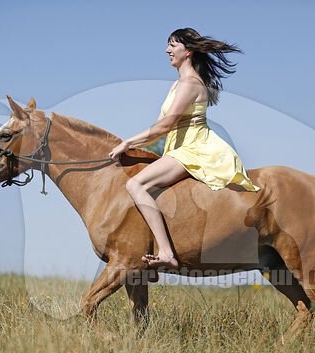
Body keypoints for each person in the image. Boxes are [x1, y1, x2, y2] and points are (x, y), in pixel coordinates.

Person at [109, 27, 260, 268]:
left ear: (188, 51)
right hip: (177, 149)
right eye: (168, 45)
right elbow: (158, 125)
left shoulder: (190, 84)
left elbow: (165, 126)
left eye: (173, 45)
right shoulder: (176, 85)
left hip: (192, 150)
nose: (167, 50)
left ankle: (167, 252)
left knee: (135, 184)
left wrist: (127, 142)